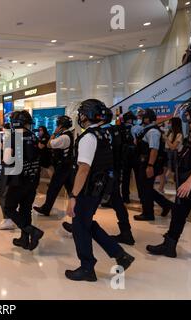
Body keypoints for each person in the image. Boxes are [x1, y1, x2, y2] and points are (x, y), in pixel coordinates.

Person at [65, 99, 134, 282]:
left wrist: (73, 195)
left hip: (87, 190)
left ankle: (87, 267)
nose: (79, 116)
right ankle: (119, 254)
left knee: (79, 227)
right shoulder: (104, 134)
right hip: (98, 188)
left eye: (81, 113)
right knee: (87, 223)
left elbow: (84, 168)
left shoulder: (88, 137)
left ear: (86, 115)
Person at [147, 101, 191, 257]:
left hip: (190, 184)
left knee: (179, 212)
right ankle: (169, 245)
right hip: (186, 183)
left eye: (188, 112)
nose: (186, 114)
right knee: (178, 213)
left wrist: (189, 182)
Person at [0, 111, 44, 250]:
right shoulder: (34, 137)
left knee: (9, 208)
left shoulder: (12, 138)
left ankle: (31, 230)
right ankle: (24, 239)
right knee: (26, 209)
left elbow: (6, 160)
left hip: (18, 179)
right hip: (33, 178)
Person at [100, 108, 135, 245]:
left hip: (104, 172)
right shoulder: (116, 130)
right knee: (117, 202)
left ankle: (79, 226)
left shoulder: (103, 132)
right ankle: (127, 233)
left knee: (90, 199)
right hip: (114, 170)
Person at [133, 109, 174, 221]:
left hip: (149, 164)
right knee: (146, 188)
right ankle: (166, 205)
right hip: (145, 163)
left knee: (146, 188)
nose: (142, 119)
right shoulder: (147, 130)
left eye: (144, 117)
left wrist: (150, 166)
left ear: (148, 118)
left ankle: (148, 213)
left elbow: (154, 150)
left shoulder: (153, 132)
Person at [34, 115, 74, 216]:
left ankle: (46, 209)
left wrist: (54, 134)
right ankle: (77, 208)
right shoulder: (68, 135)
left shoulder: (63, 137)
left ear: (61, 125)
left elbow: (49, 144)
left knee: (53, 189)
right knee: (71, 190)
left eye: (58, 124)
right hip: (67, 166)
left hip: (62, 168)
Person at [158, 117, 184, 194]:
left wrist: (166, 139)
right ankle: (160, 189)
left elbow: (173, 147)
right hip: (165, 153)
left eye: (170, 123)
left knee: (173, 174)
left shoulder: (179, 135)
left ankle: (179, 192)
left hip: (173, 155)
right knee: (162, 173)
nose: (169, 124)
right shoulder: (169, 132)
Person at [119, 111, 138, 203]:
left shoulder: (120, 129)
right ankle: (142, 197)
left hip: (124, 156)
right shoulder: (135, 128)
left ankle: (125, 197)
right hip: (134, 155)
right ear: (130, 120)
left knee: (125, 178)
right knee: (138, 177)